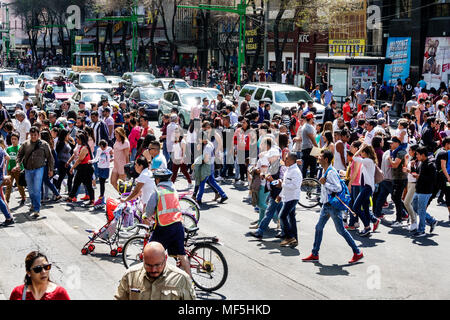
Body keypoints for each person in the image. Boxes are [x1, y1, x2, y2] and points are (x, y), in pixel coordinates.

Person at [302, 150, 364, 263]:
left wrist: (324, 183)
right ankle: (315, 253)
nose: (318, 157)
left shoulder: (331, 172)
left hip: (332, 206)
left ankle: (357, 252)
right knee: (319, 228)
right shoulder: (326, 170)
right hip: (327, 205)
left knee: (341, 231)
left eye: (320, 156)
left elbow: (337, 188)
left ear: (326, 159)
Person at [144, 169, 192, 277]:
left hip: (164, 227)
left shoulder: (157, 191)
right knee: (182, 255)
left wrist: (145, 216)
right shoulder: (173, 189)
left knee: (151, 251)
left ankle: (149, 277)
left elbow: (149, 210)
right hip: (178, 224)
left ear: (157, 179)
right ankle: (190, 281)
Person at [114, 242, 196, 300]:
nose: (153, 270)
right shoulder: (130, 275)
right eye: (148, 265)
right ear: (143, 259)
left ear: (166, 258)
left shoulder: (181, 279)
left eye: (157, 265)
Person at [14, 127, 54, 219]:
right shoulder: (25, 144)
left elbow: (50, 158)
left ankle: (37, 209)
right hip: (28, 170)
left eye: (35, 135)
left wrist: (51, 169)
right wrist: (18, 164)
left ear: (38, 135)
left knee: (37, 189)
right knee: (31, 191)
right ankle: (33, 203)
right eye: (31, 135)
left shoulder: (44, 144)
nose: (33, 137)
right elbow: (19, 155)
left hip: (39, 169)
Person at [351, 143, 381, 237]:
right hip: (365, 186)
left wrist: (360, 149)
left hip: (367, 187)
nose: (361, 153)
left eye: (362, 152)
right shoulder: (367, 160)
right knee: (366, 209)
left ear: (366, 152)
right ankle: (368, 227)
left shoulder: (368, 160)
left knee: (356, 207)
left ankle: (367, 227)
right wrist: (362, 148)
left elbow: (354, 157)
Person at [411, 146, 438, 237]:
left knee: (421, 210)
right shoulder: (420, 163)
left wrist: (419, 177)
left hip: (426, 191)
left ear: (423, 155)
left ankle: (421, 230)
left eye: (417, 154)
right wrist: (411, 168)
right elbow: (417, 174)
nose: (416, 156)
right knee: (415, 207)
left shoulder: (431, 165)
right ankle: (431, 220)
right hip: (418, 189)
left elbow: (432, 179)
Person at [277, 153, 302, 247]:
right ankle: (294, 239)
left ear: (292, 160)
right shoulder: (289, 169)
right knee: (291, 218)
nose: (285, 159)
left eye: (287, 158)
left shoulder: (295, 171)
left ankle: (289, 237)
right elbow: (286, 183)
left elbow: (295, 186)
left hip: (292, 197)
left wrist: (281, 185)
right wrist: (280, 195)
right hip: (287, 197)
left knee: (282, 216)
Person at [65, 132, 95, 205]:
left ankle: (92, 199)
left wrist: (72, 167)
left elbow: (79, 159)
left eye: (77, 139)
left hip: (86, 168)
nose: (76, 140)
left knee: (88, 184)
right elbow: (75, 155)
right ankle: (71, 197)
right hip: (81, 167)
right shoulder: (80, 146)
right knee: (76, 182)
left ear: (81, 140)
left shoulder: (84, 148)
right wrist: (69, 162)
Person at [5, 132, 26, 206]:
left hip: (18, 170)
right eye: (12, 139)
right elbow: (7, 160)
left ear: (18, 140)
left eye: (15, 139)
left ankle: (23, 197)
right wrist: (7, 168)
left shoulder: (20, 148)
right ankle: (6, 200)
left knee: (19, 185)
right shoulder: (8, 149)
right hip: (10, 170)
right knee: (8, 185)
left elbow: (22, 159)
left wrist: (19, 167)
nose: (13, 140)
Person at [89, 139, 113, 206]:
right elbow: (96, 158)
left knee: (103, 182)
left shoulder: (109, 149)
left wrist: (112, 158)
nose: (102, 149)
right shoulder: (99, 150)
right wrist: (91, 161)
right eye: (101, 147)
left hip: (106, 168)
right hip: (100, 167)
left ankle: (101, 197)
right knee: (101, 183)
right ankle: (101, 197)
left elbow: (113, 154)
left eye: (103, 147)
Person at [111, 127, 130, 193]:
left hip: (122, 166)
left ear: (120, 134)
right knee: (112, 181)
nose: (115, 136)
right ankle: (122, 194)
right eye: (115, 134)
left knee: (122, 184)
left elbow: (127, 156)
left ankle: (124, 195)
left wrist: (127, 168)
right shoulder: (116, 141)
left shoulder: (126, 143)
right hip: (115, 164)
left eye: (116, 134)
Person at [301, 112, 318, 178]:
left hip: (307, 148)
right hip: (309, 148)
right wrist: (317, 147)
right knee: (312, 165)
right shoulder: (308, 127)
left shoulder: (307, 126)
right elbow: (312, 139)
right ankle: (310, 180)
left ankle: (305, 179)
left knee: (306, 165)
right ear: (310, 119)